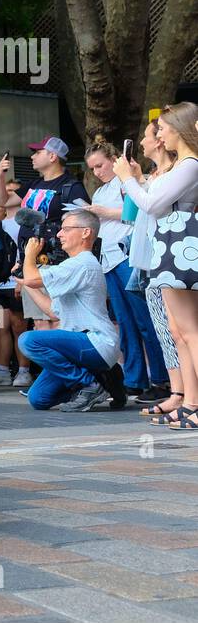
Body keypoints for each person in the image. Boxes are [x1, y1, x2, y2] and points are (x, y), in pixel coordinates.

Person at [116, 103, 198, 428]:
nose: (159, 135)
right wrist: (136, 180)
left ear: (179, 128)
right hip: (171, 247)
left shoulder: (190, 164)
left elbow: (151, 204)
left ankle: (192, 401)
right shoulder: (185, 165)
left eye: (163, 128)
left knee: (189, 330)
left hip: (178, 247)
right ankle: (190, 401)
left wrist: (126, 180)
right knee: (179, 331)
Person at [84, 140, 169, 402]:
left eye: (100, 165)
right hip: (108, 258)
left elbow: (138, 212)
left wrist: (104, 212)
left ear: (113, 159)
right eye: (92, 168)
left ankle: (162, 379)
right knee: (125, 323)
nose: (97, 172)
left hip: (128, 256)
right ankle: (135, 379)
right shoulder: (99, 192)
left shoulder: (127, 181)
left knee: (145, 319)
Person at [14, 210, 122, 411]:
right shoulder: (72, 265)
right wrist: (27, 280)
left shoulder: (83, 263)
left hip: (95, 341)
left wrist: (29, 256)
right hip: (78, 345)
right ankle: (105, 378)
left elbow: (32, 277)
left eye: (66, 229)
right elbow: (54, 312)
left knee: (28, 340)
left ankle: (88, 384)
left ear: (85, 233)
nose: (58, 235)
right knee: (39, 399)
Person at [0, 136, 90, 332]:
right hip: (30, 259)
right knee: (38, 320)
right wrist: (0, 175)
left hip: (57, 261)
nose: (32, 156)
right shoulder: (33, 184)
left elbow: (85, 220)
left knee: (58, 317)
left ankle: (62, 360)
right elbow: (2, 202)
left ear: (53, 156)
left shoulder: (71, 186)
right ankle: (48, 363)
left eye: (38, 152)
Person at [133, 119, 183, 420]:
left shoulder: (179, 173)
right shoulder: (154, 175)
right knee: (165, 329)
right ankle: (178, 391)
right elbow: (135, 215)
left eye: (149, 135)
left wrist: (129, 180)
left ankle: (182, 393)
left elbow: (152, 207)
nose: (142, 142)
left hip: (169, 258)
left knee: (177, 329)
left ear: (160, 141)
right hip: (148, 258)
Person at [0, 191, 32, 387]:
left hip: (16, 284)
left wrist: (22, 280)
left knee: (19, 327)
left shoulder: (20, 225)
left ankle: (24, 371)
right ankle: (2, 370)